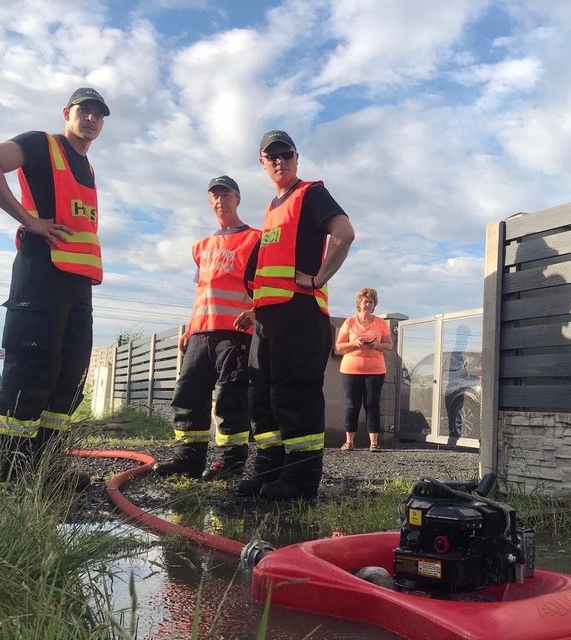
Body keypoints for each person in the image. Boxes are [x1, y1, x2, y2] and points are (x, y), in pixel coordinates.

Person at [0, 87, 111, 487]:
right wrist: (29, 219)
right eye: (85, 111)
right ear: (67, 113)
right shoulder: (42, 144)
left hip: (79, 284)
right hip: (41, 274)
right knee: (31, 371)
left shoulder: (89, 168)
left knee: (68, 375)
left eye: (99, 114)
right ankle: (11, 477)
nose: (92, 119)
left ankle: (46, 470)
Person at [234, 130, 355, 500]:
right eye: (272, 156)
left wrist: (318, 278)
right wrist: (255, 310)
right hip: (269, 319)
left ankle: (300, 482)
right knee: (263, 396)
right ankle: (269, 470)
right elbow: (271, 269)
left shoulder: (310, 194)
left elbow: (344, 232)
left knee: (295, 396)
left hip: (300, 314)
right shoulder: (273, 209)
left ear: (296, 158)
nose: (279, 161)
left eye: (286, 155)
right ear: (262, 163)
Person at [153, 176, 261, 481]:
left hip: (235, 332)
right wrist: (189, 327)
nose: (220, 199)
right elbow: (202, 291)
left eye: (226, 194)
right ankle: (188, 458)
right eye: (214, 195)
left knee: (231, 396)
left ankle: (231, 460)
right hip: (201, 331)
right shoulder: (202, 247)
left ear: (237, 198)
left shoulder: (255, 239)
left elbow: (266, 285)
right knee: (188, 392)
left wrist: (254, 311)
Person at [335, 287, 392, 452]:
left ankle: (373, 443)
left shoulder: (380, 323)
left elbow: (389, 345)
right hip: (350, 370)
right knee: (352, 404)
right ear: (359, 304)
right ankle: (349, 442)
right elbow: (339, 345)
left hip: (375, 370)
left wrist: (376, 345)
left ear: (375, 305)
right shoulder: (350, 322)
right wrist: (354, 343)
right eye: (365, 301)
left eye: (371, 302)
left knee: (372, 404)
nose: (368, 304)